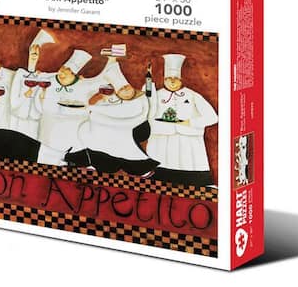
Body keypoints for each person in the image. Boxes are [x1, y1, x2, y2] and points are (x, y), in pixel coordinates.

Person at [66, 61, 159, 176]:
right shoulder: (112, 99)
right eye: (121, 90)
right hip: (106, 134)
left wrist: (92, 108)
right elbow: (95, 104)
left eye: (127, 87)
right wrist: (97, 101)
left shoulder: (140, 99)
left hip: (134, 131)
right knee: (92, 129)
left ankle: (138, 167)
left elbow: (126, 110)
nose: (125, 90)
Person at [146, 54, 218, 187]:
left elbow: (213, 117)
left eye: (175, 79)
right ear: (164, 79)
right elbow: (147, 113)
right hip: (162, 140)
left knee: (191, 171)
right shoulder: (157, 95)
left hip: (189, 141)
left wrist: (190, 122)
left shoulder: (192, 95)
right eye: (169, 79)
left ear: (181, 80)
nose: (172, 82)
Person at [33, 49, 95, 159]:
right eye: (62, 69)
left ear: (74, 74)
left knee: (71, 156)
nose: (61, 73)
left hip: (72, 128)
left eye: (67, 71)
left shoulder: (84, 85)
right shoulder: (48, 81)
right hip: (49, 126)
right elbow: (39, 103)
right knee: (47, 155)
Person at [9, 29, 55, 139]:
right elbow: (13, 99)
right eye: (33, 53)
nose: (34, 56)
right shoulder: (20, 74)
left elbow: (57, 75)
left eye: (37, 54)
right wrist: (25, 96)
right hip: (18, 117)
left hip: (34, 118)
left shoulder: (42, 76)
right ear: (28, 53)